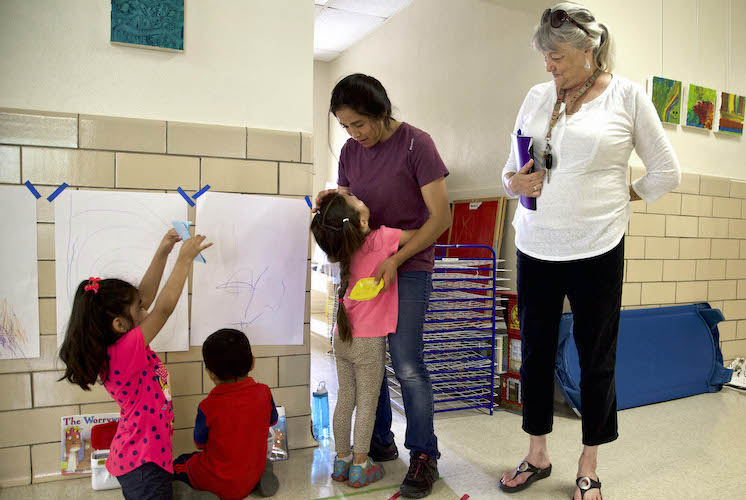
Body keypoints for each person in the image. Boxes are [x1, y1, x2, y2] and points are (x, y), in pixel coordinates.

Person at [498, 4, 680, 500]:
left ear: (589, 49)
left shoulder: (627, 96)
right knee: (533, 352)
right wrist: (516, 182)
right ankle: (537, 453)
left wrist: (622, 199)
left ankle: (589, 463)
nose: (548, 65)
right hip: (535, 243)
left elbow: (666, 171)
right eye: (544, 55)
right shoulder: (538, 96)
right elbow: (507, 170)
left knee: (595, 355)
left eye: (555, 54)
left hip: (598, 246)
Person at [315, 73, 451, 498]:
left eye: (360, 123)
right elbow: (343, 207)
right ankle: (375, 444)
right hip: (365, 270)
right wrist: (327, 206)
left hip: (408, 262)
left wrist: (395, 259)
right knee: (365, 359)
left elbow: (440, 218)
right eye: (345, 127)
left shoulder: (417, 145)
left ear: (381, 111)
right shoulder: (350, 154)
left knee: (406, 361)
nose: (354, 134)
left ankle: (424, 455)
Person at [59, 230, 212, 499]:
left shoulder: (120, 344)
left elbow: (145, 297)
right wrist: (184, 261)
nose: (146, 311)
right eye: (140, 310)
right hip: (144, 464)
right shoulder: (123, 352)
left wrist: (163, 251)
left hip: (146, 456)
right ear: (120, 325)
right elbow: (162, 309)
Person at [311, 192, 416, 488]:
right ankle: (360, 464)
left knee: (345, 398)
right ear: (361, 220)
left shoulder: (344, 246)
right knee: (367, 403)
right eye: (355, 200)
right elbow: (421, 235)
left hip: (341, 337)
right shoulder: (382, 239)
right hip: (369, 341)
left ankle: (341, 459)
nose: (356, 196)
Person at [173, 329, 280, 499]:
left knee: (178, 465)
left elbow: (199, 444)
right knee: (258, 460)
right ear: (252, 363)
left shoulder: (208, 406)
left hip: (219, 482)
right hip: (251, 473)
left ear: (210, 372)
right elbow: (272, 420)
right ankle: (262, 475)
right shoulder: (265, 393)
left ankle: (192, 495)